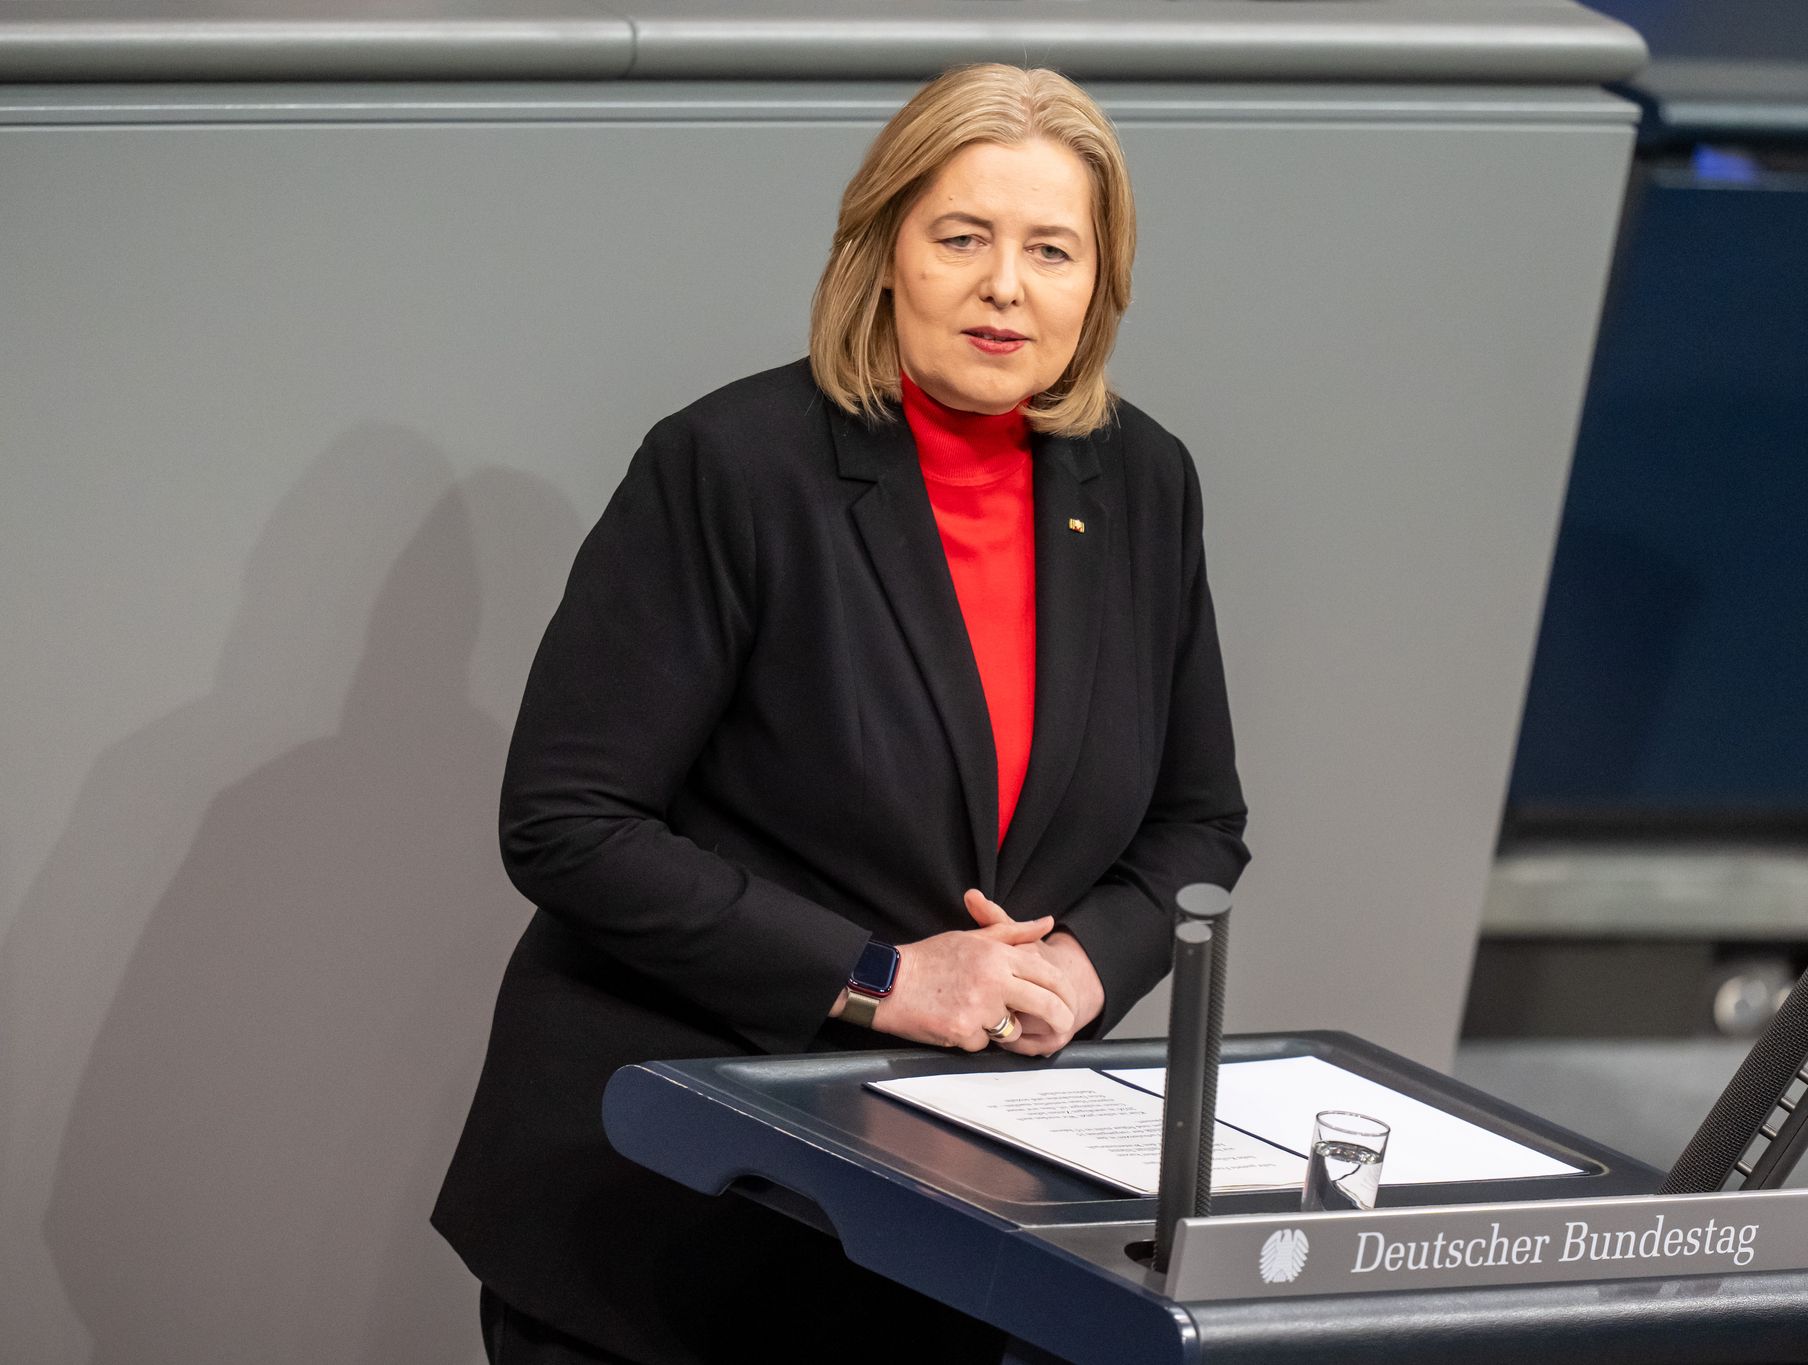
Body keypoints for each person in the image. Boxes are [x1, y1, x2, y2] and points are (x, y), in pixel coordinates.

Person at [432, 62, 1249, 1364]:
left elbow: (1198, 821)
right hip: (672, 1213)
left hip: (948, 1232)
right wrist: (885, 979)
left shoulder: (1144, 480)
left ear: (1100, 284)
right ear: (882, 254)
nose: (1006, 285)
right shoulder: (733, 466)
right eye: (963, 238)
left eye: (1052, 249)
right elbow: (568, 823)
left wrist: (1081, 969)